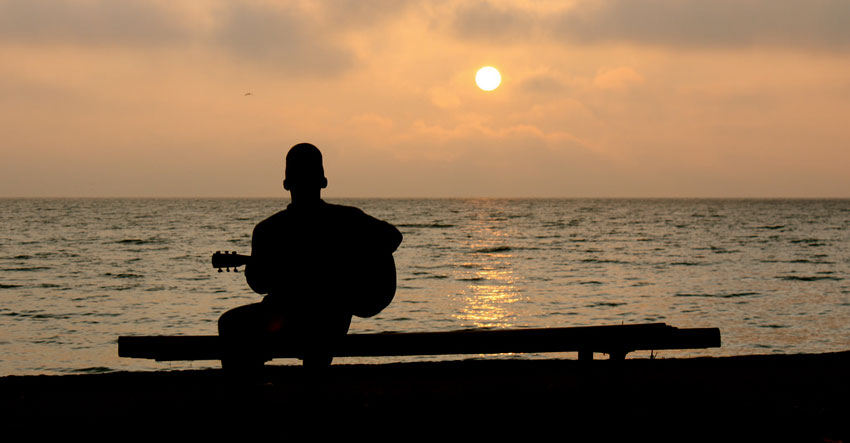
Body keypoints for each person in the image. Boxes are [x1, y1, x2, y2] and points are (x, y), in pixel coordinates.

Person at [218, 143, 402, 371]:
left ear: (286, 184)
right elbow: (393, 237)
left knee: (231, 325)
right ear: (323, 182)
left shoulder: (269, 230)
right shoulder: (348, 218)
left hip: (305, 319)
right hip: (327, 322)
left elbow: (260, 285)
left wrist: (343, 262)